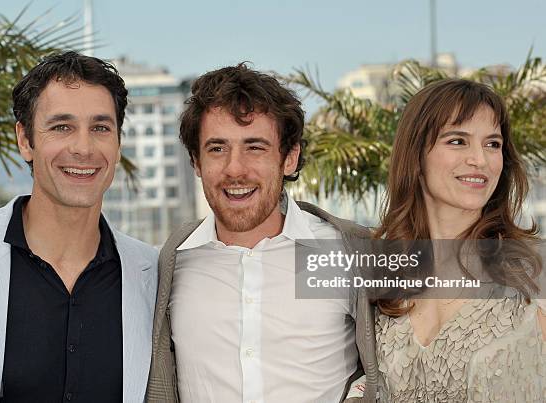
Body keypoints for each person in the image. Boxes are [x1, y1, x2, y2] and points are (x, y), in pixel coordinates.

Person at [146, 63, 378, 403]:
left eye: (255, 147)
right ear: (196, 161)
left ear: (289, 158)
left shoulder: (343, 251)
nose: (235, 169)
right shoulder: (171, 264)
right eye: (217, 149)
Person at [0, 51, 158, 403]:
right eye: (61, 127)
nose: (84, 148)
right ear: (25, 140)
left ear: (118, 143)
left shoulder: (154, 276)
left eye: (100, 127)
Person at [373, 79, 546, 402]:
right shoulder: (380, 277)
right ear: (416, 156)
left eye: (493, 144)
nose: (480, 160)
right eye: (458, 141)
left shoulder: (533, 271)